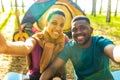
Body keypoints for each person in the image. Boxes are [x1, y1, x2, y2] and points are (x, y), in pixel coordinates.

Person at [39, 15, 120, 80]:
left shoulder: (100, 42)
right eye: (74, 29)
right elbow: (53, 68)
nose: (78, 32)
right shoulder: (69, 47)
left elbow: (114, 51)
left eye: (83, 28)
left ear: (91, 30)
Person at [0, 9, 69, 80]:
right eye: (54, 23)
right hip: (34, 77)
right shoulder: (37, 39)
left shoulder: (64, 40)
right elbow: (25, 47)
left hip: (57, 76)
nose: (58, 28)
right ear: (46, 23)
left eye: (61, 25)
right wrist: (6, 47)